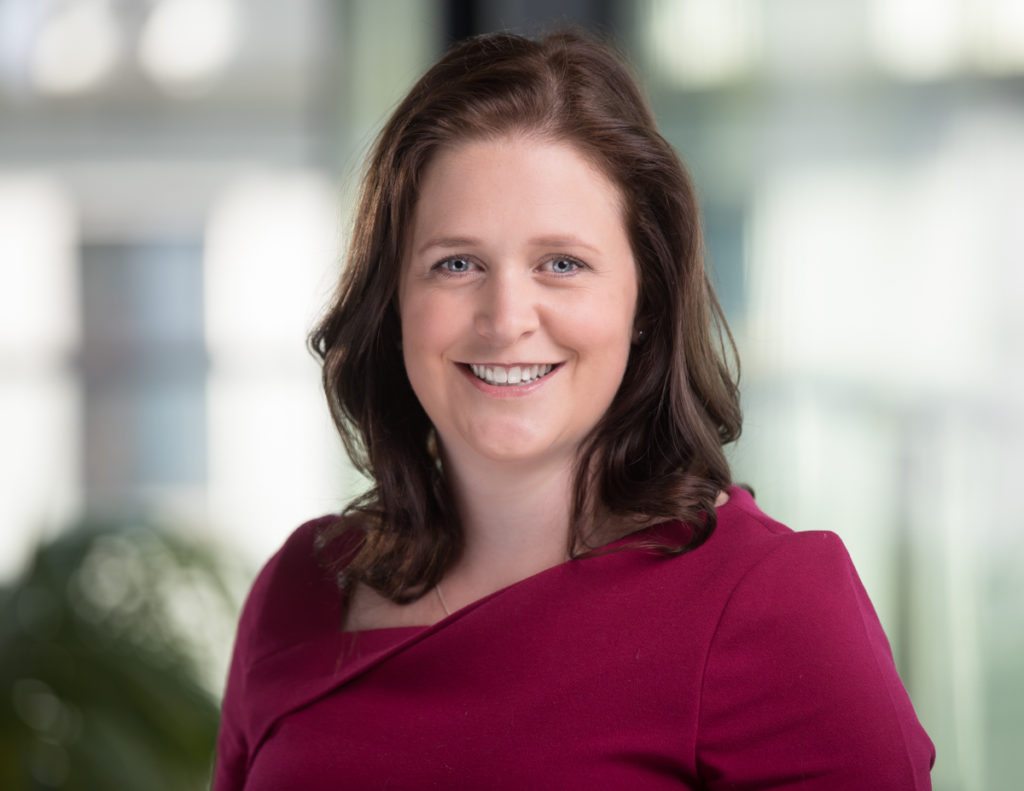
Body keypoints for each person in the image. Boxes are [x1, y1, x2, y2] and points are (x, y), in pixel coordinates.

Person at [212, 29, 935, 790]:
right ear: (393, 299)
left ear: (645, 297)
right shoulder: (302, 586)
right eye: (456, 263)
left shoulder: (775, 607)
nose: (505, 316)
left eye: (562, 264)